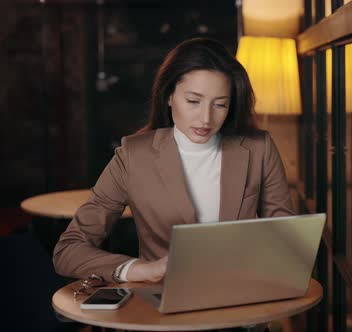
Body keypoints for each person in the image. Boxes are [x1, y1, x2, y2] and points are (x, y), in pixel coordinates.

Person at [53, 37, 295, 286]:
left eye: (220, 104)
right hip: (165, 311)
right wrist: (139, 269)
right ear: (169, 96)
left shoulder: (259, 148)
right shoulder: (133, 157)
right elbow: (68, 250)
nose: (206, 118)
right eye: (193, 101)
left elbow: (286, 241)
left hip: (242, 304)